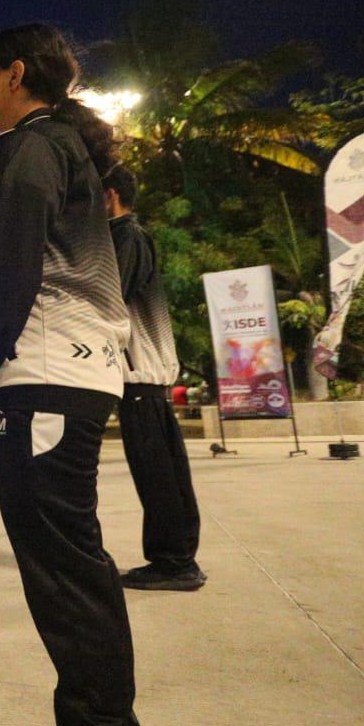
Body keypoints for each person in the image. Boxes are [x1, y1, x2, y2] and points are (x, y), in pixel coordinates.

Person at [0, 23, 150, 726]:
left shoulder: (30, 147)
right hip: (63, 377)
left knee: (68, 586)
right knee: (77, 577)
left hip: (39, 379)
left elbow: (11, 273)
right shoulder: (55, 144)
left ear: (16, 73)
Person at [104, 165, 206, 592]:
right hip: (151, 377)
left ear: (108, 196)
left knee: (156, 474)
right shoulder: (135, 236)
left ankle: (172, 562)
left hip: (141, 377)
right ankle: (179, 556)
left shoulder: (125, 238)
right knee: (167, 471)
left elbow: (108, 300)